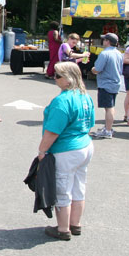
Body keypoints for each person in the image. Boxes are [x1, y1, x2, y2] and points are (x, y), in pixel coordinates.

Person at [38, 61, 95, 241]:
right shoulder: (85, 96)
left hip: (66, 150)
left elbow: (53, 131)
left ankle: (63, 228)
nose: (54, 79)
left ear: (69, 80)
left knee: (63, 190)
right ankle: (75, 223)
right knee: (79, 186)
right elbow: (91, 123)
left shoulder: (62, 101)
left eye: (58, 76)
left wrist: (42, 151)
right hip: (84, 145)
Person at [89, 33, 123, 139]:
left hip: (106, 83)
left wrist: (92, 69)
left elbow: (97, 69)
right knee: (110, 106)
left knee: (109, 107)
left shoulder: (104, 54)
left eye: (104, 40)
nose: (103, 41)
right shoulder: (119, 53)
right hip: (115, 82)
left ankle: (108, 130)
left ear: (108, 41)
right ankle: (108, 127)